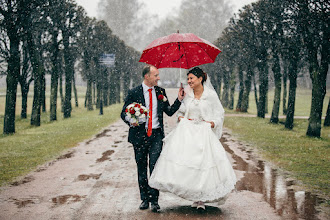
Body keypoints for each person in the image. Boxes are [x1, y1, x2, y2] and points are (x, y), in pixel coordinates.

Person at [149, 67, 237, 210]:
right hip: (188, 134)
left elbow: (219, 113)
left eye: (191, 78)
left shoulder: (211, 95)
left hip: (203, 134)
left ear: (200, 79)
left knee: (203, 164)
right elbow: (181, 111)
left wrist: (212, 123)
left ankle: (201, 199)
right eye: (188, 79)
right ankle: (193, 196)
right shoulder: (188, 95)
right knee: (189, 165)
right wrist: (181, 117)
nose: (189, 81)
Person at [121, 64, 185, 212]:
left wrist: (179, 99)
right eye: (155, 75)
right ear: (147, 77)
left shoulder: (160, 92)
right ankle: (144, 199)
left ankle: (154, 200)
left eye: (158, 75)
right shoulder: (134, 92)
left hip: (156, 135)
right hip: (139, 136)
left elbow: (168, 111)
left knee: (155, 168)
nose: (158, 78)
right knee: (141, 167)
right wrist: (133, 120)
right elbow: (123, 113)